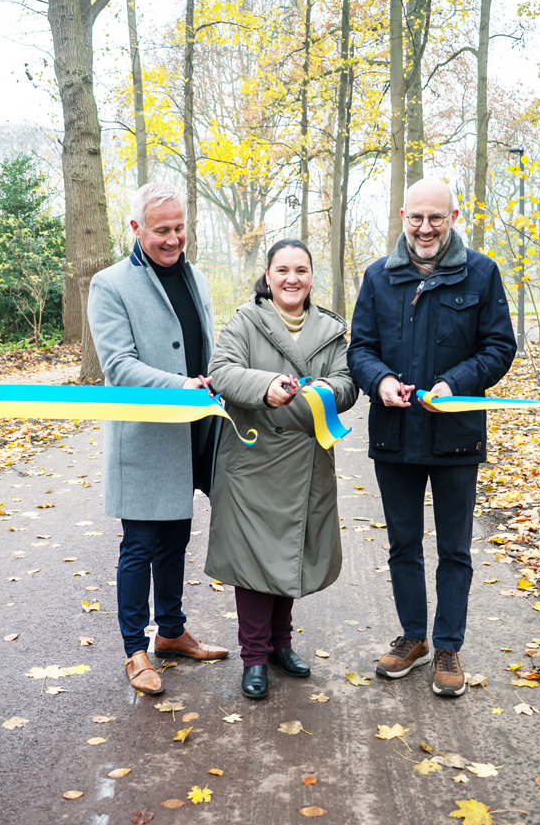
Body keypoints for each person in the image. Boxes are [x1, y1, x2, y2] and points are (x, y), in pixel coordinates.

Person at [347, 178, 516, 697]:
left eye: (435, 218)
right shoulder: (378, 277)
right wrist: (381, 381)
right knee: (403, 544)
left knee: (455, 548)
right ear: (403, 216)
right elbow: (359, 350)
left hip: (456, 436)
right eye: (416, 218)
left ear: (453, 217)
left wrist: (454, 383)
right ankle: (413, 638)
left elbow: (499, 347)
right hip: (395, 435)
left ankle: (448, 646)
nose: (425, 228)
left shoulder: (482, 274)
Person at [87, 182, 230, 696]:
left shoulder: (197, 278)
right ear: (135, 229)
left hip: (197, 433)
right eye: (162, 230)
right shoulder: (110, 284)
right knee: (141, 544)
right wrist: (180, 386)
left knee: (177, 536)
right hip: (146, 438)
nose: (174, 240)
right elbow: (119, 366)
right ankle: (135, 651)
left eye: (179, 228)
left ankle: (171, 632)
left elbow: (208, 350)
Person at [205, 240, 359, 699]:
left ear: (312, 277)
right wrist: (266, 385)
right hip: (251, 463)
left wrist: (322, 393)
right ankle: (253, 656)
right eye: (283, 270)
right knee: (256, 562)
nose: (292, 279)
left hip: (306, 461)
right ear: (267, 275)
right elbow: (222, 373)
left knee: (288, 553)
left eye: (302, 270)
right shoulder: (245, 321)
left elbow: (349, 383)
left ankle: (279, 646)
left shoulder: (332, 330)